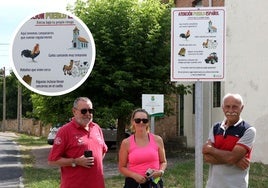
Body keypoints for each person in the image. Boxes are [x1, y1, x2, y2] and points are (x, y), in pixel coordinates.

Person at [48, 97, 108, 188]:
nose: (88, 114)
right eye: (84, 111)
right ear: (74, 111)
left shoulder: (96, 128)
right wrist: (76, 162)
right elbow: (53, 160)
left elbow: (103, 151)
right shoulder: (65, 131)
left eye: (90, 111)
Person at [202, 93, 256, 188]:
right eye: (227, 106)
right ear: (223, 108)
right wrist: (235, 160)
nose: (231, 110)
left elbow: (231, 158)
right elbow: (207, 158)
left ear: (241, 108)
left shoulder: (248, 130)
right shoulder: (216, 127)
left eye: (235, 107)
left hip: (236, 185)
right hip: (213, 185)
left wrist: (211, 150)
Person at [119, 108, 167, 188]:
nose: (141, 123)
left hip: (154, 183)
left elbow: (163, 162)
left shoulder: (158, 140)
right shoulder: (126, 142)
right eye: (138, 120)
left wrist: (160, 172)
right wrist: (134, 175)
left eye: (144, 120)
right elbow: (122, 167)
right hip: (134, 183)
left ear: (147, 122)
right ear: (133, 122)